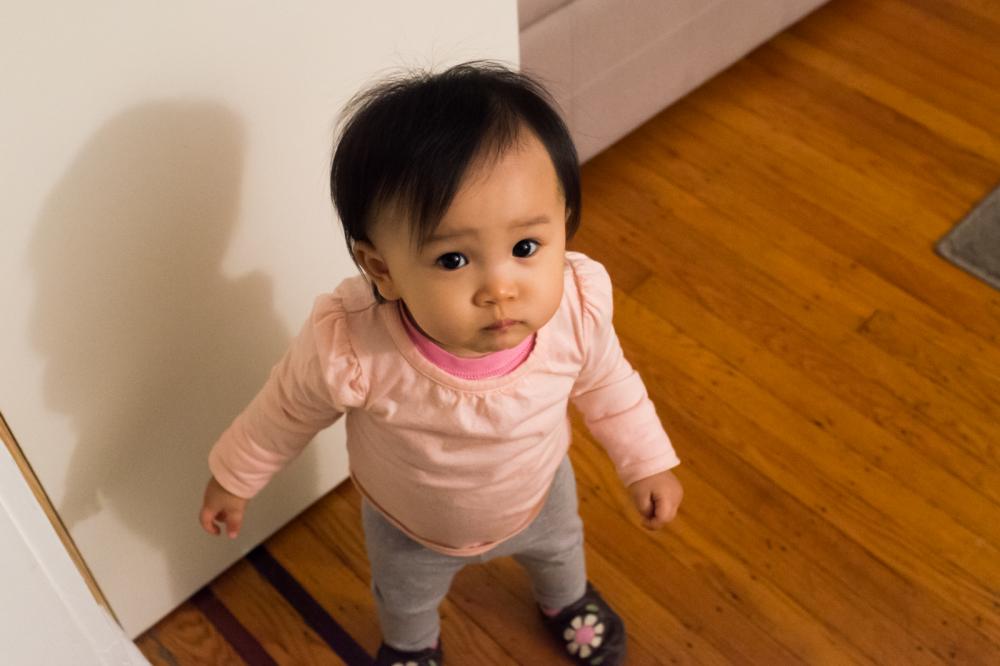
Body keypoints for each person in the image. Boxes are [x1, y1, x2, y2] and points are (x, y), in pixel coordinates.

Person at [199, 61, 683, 666]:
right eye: (453, 260)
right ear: (382, 270)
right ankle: (412, 647)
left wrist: (646, 462)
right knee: (404, 599)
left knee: (561, 553)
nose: (500, 288)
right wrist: (235, 476)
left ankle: (565, 601)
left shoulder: (574, 314)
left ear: (563, 229)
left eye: (526, 247)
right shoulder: (354, 347)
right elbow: (285, 411)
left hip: (539, 494)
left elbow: (610, 385)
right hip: (409, 527)